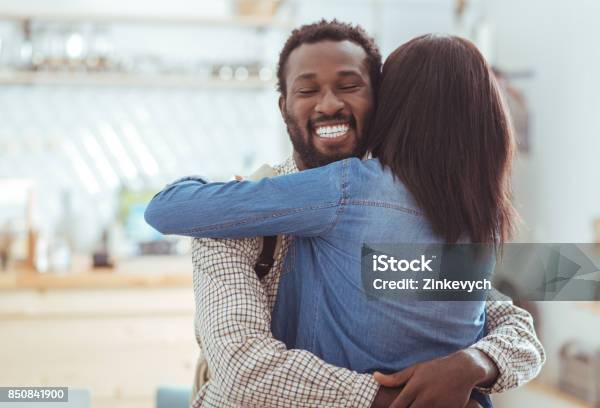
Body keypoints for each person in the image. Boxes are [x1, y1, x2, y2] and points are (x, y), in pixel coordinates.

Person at [148, 21, 545, 408]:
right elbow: (244, 372)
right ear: (284, 105)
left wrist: (474, 363)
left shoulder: (366, 196)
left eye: (349, 85)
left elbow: (507, 320)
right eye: (308, 89)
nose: (329, 103)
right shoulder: (229, 223)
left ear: (383, 103)